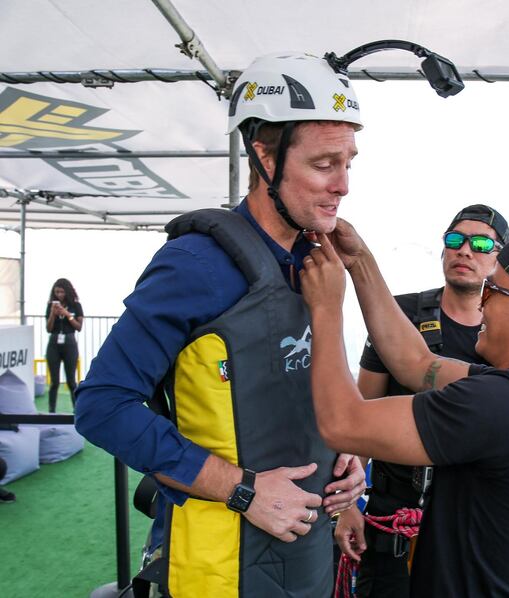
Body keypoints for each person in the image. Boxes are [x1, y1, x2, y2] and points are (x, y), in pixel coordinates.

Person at [74, 52, 368, 598]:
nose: (344, 185)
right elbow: (102, 404)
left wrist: (349, 462)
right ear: (264, 156)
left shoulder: (316, 262)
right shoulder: (198, 265)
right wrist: (242, 490)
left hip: (305, 557)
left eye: (350, 162)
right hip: (218, 566)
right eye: (325, 165)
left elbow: (307, 381)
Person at [301, 225, 509, 597]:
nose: (482, 302)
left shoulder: (504, 405)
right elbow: (414, 363)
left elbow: (342, 423)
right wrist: (359, 261)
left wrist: (325, 307)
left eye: (493, 289)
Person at [335, 204, 509, 596]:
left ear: (500, 259)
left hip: (468, 525)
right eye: (455, 240)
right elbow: (360, 417)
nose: (466, 251)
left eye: (482, 243)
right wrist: (348, 506)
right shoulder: (400, 316)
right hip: (393, 517)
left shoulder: (503, 337)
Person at [44, 278, 83, 413]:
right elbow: (48, 329)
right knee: (54, 382)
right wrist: (52, 315)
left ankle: (77, 411)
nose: (59, 295)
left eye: (61, 292)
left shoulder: (76, 306)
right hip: (54, 343)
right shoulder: (51, 306)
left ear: (67, 292)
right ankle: (51, 411)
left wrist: (67, 315)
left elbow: (79, 327)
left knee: (71, 381)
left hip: (69, 343)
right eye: (57, 292)